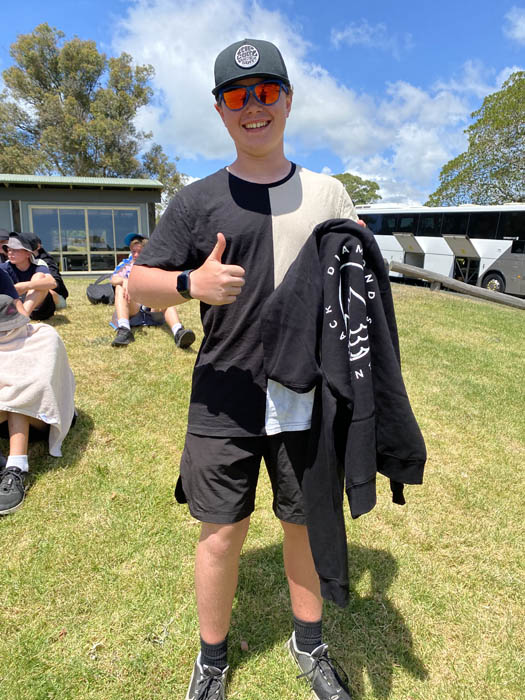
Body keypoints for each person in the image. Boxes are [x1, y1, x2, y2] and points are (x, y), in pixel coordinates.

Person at [129, 39, 359, 700]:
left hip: (306, 395)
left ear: (287, 99)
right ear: (220, 109)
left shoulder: (328, 194)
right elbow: (138, 283)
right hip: (223, 395)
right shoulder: (196, 200)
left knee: (302, 524)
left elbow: (358, 285)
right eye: (237, 96)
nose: (253, 106)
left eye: (266, 92)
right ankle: (211, 660)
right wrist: (190, 283)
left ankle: (308, 643)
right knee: (221, 533)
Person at [0, 269, 76, 515]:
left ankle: (16, 467)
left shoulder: (43, 337)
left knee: (21, 386)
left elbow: (40, 387)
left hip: (40, 416)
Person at [111, 233, 195, 348]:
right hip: (134, 309)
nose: (136, 255)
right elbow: (113, 279)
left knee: (165, 294)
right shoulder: (126, 265)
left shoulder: (154, 265)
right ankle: (124, 330)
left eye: (140, 252)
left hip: (152, 309)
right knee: (120, 287)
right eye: (133, 251)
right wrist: (124, 280)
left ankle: (178, 332)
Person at [0, 233, 57, 320]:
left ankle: (22, 318)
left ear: (28, 254)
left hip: (40, 309)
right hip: (16, 307)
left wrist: (25, 286)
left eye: (15, 250)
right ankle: (22, 317)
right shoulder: (5, 267)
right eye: (9, 250)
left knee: (39, 276)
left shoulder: (38, 264)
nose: (10, 253)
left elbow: (52, 283)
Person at [30, 235, 69, 310]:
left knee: (42, 288)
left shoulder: (46, 261)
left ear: (38, 246)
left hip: (55, 297)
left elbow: (56, 284)